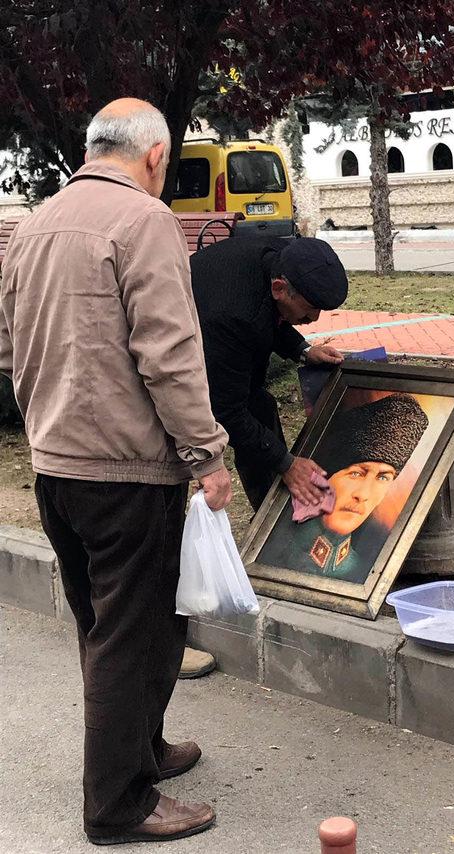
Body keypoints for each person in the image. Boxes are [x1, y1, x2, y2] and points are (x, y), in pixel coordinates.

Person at [0, 99, 232, 844]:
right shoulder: (145, 222)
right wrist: (207, 454)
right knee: (130, 634)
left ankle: (143, 751)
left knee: (118, 627)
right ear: (156, 157)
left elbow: (10, 347)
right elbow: (169, 353)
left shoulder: (34, 222)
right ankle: (117, 803)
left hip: (55, 464)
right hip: (125, 470)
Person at [190, 235, 349, 512]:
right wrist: (286, 464)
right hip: (179, 356)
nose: (315, 319)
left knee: (260, 407)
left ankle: (273, 510)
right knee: (253, 413)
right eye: (311, 309)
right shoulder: (233, 316)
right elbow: (227, 411)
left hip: (221, 318)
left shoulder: (281, 256)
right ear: (279, 288)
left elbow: (270, 315)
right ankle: (270, 514)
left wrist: (303, 349)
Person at [259, 394, 429, 583]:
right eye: (356, 473)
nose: (363, 495)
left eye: (382, 477)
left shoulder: (358, 567)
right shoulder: (275, 552)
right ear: (324, 476)